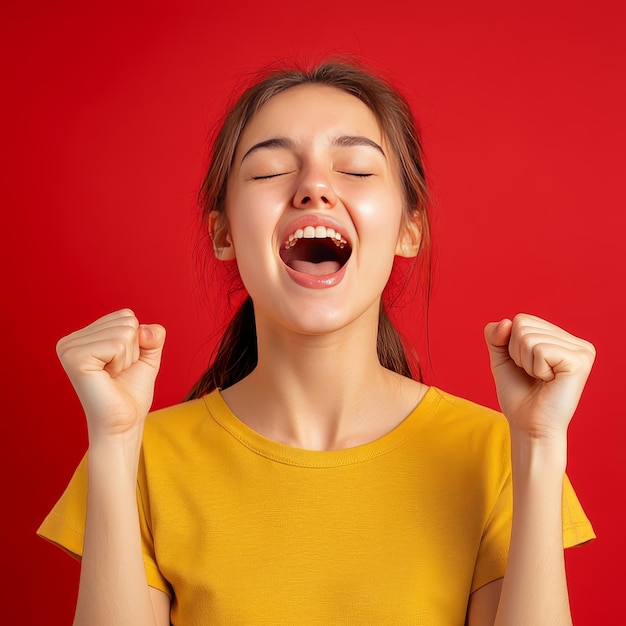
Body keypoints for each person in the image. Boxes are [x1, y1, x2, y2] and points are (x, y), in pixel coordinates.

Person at [38, 60, 596, 626]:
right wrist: (112, 444)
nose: (314, 188)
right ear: (224, 234)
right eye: (270, 171)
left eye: (355, 170)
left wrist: (541, 446)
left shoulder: (497, 455)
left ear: (409, 229)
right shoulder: (140, 457)